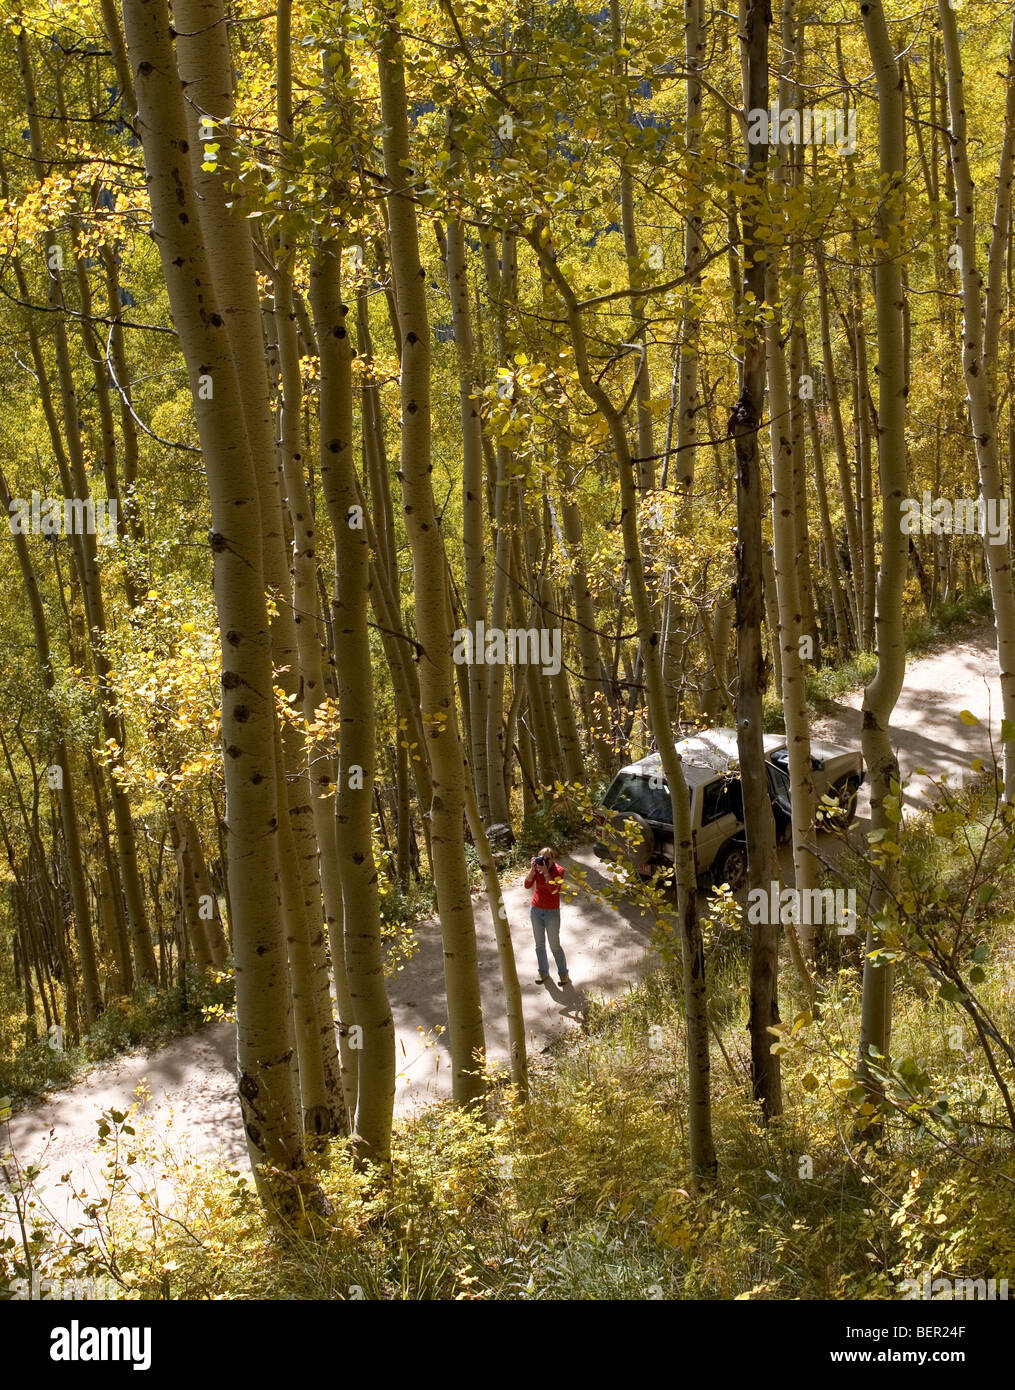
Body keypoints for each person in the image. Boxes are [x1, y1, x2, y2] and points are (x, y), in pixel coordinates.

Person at [524, 846, 571, 987]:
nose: (544, 861)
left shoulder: (559, 871)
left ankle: (563, 974)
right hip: (536, 910)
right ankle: (543, 972)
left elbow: (554, 891)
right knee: (539, 945)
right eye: (541, 858)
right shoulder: (536, 869)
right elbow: (527, 885)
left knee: (554, 945)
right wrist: (532, 870)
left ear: (552, 859)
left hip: (552, 912)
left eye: (547, 858)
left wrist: (546, 873)